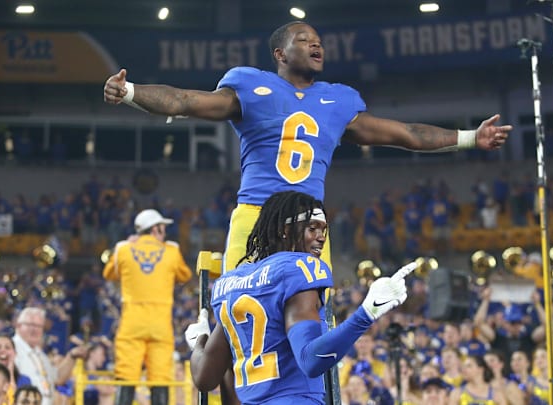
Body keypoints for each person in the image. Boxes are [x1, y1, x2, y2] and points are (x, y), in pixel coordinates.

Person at [103, 21, 513, 272]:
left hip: (309, 222)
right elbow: (185, 101)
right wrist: (131, 91)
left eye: (318, 40)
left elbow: (403, 133)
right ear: (281, 53)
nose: (317, 45)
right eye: (304, 39)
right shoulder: (250, 84)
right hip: (256, 212)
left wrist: (467, 138)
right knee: (238, 313)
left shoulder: (338, 100)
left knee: (313, 322)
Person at [183, 191, 415, 404]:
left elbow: (204, 377)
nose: (321, 237)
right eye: (312, 228)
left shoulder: (230, 284)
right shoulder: (299, 269)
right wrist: (366, 313)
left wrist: (200, 341)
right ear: (285, 230)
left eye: (324, 229)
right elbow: (311, 360)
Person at [102, 208, 192, 405]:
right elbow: (185, 276)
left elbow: (109, 274)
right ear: (155, 229)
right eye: (163, 228)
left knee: (126, 375)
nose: (165, 232)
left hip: (131, 323)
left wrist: (127, 245)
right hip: (160, 324)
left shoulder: (123, 250)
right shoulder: (172, 251)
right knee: (160, 377)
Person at [12, 307, 87, 405]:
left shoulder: (39, 353)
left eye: (39, 326)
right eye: (31, 325)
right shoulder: (11, 349)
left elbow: (57, 378)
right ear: (18, 325)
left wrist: (72, 356)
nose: (35, 330)